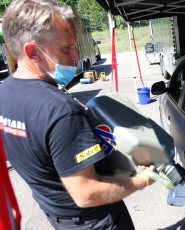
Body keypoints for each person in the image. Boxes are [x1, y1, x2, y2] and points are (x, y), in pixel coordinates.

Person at [0, 0, 155, 229]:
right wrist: (140, 181)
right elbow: (87, 194)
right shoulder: (60, 111)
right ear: (32, 51)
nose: (76, 55)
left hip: (59, 217)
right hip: (97, 222)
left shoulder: (4, 92)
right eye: (66, 48)